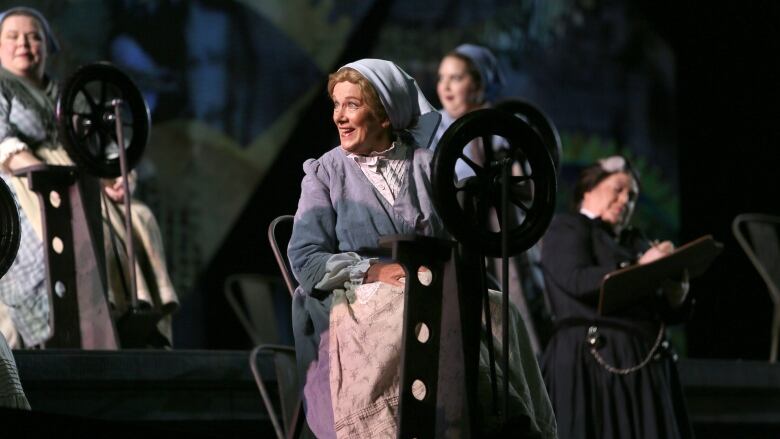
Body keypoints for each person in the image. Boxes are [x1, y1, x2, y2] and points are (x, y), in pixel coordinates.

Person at [288, 58, 556, 438]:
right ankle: (420, 417)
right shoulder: (325, 172)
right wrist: (375, 271)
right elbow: (305, 258)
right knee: (408, 308)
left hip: (429, 280)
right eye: (336, 104)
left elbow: (455, 237)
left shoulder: (428, 166)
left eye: (352, 105)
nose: (339, 117)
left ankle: (503, 412)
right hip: (356, 296)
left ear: (384, 115)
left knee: (499, 309)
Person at [0, 6, 177, 348]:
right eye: (13, 37)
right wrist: (50, 173)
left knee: (140, 217)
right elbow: (3, 144)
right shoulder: (2, 88)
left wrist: (116, 175)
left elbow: (100, 145)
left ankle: (135, 314)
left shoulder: (65, 96)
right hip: (29, 183)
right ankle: (90, 320)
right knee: (85, 229)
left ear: (47, 46)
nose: (24, 43)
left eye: (33, 36)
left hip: (79, 179)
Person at [540, 155, 693, 439]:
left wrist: (676, 296)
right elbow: (577, 279)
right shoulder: (568, 227)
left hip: (642, 366)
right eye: (618, 189)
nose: (626, 200)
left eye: (632, 196)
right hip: (591, 363)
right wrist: (641, 268)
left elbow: (659, 310)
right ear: (588, 188)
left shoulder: (636, 241)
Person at [432, 43, 552, 353]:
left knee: (513, 311)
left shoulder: (505, 128)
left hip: (501, 236)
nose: (445, 86)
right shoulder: (431, 130)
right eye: (442, 77)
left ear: (479, 82)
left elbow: (529, 189)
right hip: (455, 236)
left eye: (456, 78)